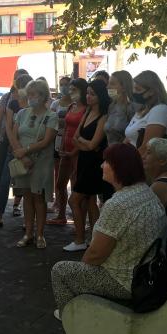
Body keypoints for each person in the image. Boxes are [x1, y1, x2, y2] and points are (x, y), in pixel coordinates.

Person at [51, 143, 167, 317]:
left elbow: (95, 255)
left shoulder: (118, 204)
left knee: (61, 271)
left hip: (125, 280)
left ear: (119, 168)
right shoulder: (146, 192)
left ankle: (71, 319)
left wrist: (81, 276)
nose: (101, 166)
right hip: (146, 273)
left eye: (106, 162)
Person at [10, 80, 58, 248]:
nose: (29, 97)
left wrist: (25, 150)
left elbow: (46, 141)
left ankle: (40, 235)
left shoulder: (51, 116)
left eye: (33, 94)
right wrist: (21, 155)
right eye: (28, 94)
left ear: (43, 96)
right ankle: (28, 233)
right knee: (27, 196)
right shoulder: (22, 113)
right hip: (24, 161)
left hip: (41, 162)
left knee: (39, 197)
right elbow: (14, 136)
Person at [0, 74, 34, 229]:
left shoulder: (34, 103)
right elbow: (9, 128)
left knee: (29, 186)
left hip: (30, 149)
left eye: (18, 89)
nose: (15, 93)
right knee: (4, 180)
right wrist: (16, 147)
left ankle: (29, 221)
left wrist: (24, 149)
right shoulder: (12, 103)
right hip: (13, 148)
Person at [64, 79, 111, 252]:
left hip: (94, 163)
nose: (88, 96)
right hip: (84, 159)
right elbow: (76, 138)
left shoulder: (103, 116)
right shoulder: (88, 112)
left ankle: (80, 239)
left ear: (100, 96)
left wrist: (84, 143)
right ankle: (93, 238)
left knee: (74, 200)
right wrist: (86, 144)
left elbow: (92, 144)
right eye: (88, 93)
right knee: (90, 201)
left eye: (93, 94)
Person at [48, 78, 87, 225]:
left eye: (73, 90)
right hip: (66, 150)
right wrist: (62, 146)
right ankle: (61, 215)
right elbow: (65, 128)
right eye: (70, 90)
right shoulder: (71, 106)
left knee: (77, 187)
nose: (70, 92)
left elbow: (85, 132)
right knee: (60, 184)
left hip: (78, 151)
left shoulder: (86, 109)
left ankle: (79, 221)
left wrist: (74, 151)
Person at [124, 70, 167, 156]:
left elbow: (147, 147)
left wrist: (127, 161)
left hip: (141, 161)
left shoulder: (160, 110)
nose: (134, 92)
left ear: (151, 91)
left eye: (138, 89)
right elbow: (128, 138)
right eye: (134, 88)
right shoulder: (143, 109)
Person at [50, 76, 73, 213]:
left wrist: (62, 122)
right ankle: (57, 201)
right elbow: (52, 121)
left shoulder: (75, 104)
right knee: (57, 172)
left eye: (66, 84)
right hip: (57, 140)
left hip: (70, 140)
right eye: (61, 84)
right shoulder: (55, 104)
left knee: (72, 173)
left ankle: (71, 203)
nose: (63, 87)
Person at [104, 70, 134, 146]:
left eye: (112, 84)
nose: (107, 87)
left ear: (124, 87)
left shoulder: (131, 107)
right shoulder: (112, 106)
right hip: (110, 150)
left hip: (124, 151)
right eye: (108, 83)